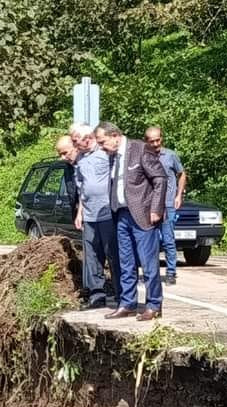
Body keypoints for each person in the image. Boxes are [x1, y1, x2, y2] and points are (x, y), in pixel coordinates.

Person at [95, 121, 167, 321]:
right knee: (125, 262)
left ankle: (154, 305)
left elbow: (160, 179)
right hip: (121, 215)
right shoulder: (112, 156)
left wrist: (156, 209)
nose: (101, 147)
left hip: (143, 215)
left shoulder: (140, 149)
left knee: (148, 263)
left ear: (115, 136)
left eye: (102, 142)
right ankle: (127, 303)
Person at [60, 128, 118, 309]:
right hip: (89, 215)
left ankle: (121, 294)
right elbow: (82, 190)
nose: (63, 157)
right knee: (92, 256)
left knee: (112, 254)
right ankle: (96, 295)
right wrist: (80, 213)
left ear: (85, 138)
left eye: (74, 142)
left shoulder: (105, 153)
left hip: (107, 213)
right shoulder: (80, 162)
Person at [145, 126, 187, 284]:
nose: (156, 144)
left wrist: (179, 195)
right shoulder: (144, 157)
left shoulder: (170, 155)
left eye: (158, 140)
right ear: (146, 141)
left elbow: (182, 174)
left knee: (168, 239)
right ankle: (152, 273)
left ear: (162, 138)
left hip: (168, 204)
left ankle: (171, 272)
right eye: (152, 141)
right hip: (149, 205)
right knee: (150, 241)